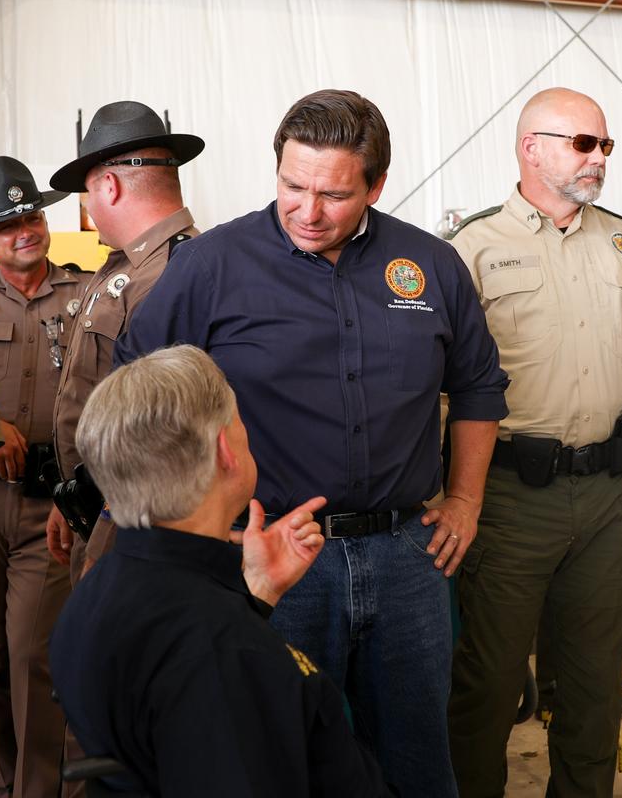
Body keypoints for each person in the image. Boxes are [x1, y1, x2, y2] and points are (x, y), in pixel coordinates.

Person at [116, 88, 508, 797]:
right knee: (279, 757)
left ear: (375, 186)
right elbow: (137, 392)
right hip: (272, 556)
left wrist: (466, 501)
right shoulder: (211, 265)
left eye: (333, 194)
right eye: (293, 186)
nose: (308, 210)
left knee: (417, 761)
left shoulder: (429, 266)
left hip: (405, 558)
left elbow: (480, 386)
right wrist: (196, 532)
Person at [448, 88, 622, 798]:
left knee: (597, 688)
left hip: (608, 499)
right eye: (581, 143)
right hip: (507, 501)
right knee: (488, 688)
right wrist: (445, 498)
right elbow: (433, 387)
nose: (597, 159)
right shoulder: (471, 249)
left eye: (604, 146)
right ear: (530, 148)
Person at [49, 345, 392, 797]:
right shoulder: (221, 650)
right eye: (239, 418)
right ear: (224, 448)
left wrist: (255, 598)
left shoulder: (98, 592)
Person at [0, 156, 84, 797]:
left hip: (52, 507)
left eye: (29, 216)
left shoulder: (87, 298)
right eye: (4, 226)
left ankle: (36, 790)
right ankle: (0, 787)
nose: (22, 231)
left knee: (34, 659)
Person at [47, 100, 203, 581]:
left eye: (87, 195)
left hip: (137, 529)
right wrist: (73, 497)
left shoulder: (173, 271)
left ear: (109, 186)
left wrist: (107, 539)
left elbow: (158, 434)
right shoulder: (124, 267)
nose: (89, 209)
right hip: (99, 508)